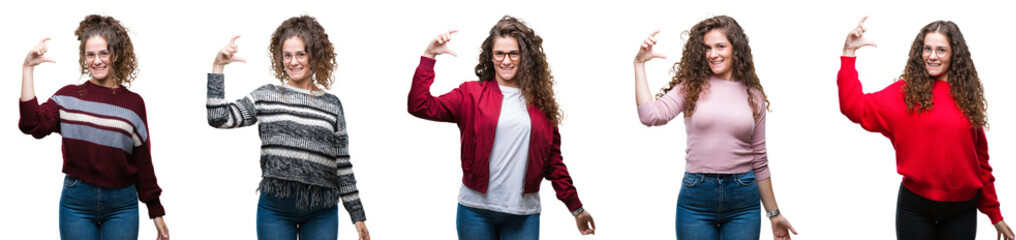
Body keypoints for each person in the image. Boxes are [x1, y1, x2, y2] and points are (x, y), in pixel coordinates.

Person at [408, 15, 596, 239]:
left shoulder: (541, 103)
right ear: (491, 56)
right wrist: (429, 56)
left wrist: (576, 208)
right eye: (499, 54)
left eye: (513, 53)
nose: (506, 61)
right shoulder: (470, 94)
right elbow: (419, 106)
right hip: (475, 211)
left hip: (523, 214)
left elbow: (553, 163)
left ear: (524, 57)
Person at [838, 16, 1016, 240]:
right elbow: (852, 106)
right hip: (916, 209)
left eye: (941, 50)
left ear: (954, 54)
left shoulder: (966, 98)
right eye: (927, 49)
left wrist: (994, 214)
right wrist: (848, 53)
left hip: (962, 210)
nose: (932, 56)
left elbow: (980, 162)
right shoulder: (903, 95)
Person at [206, 15, 370, 240]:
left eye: (301, 54)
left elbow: (342, 164)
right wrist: (218, 66)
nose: (294, 62)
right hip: (275, 211)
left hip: (322, 212)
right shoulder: (266, 96)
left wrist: (357, 215)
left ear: (315, 55)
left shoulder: (332, 105)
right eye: (287, 55)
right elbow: (218, 118)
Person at [634, 15, 796, 240]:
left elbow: (759, 159)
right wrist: (639, 64)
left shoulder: (754, 95)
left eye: (720, 46)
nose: (713, 54)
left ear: (735, 48)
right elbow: (650, 116)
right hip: (696, 200)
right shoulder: (690, 87)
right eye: (707, 48)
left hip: (743, 202)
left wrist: (774, 214)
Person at [18, 14, 170, 240]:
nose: (96, 61)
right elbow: (31, 124)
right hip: (76, 203)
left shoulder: (133, 103)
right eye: (90, 54)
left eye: (103, 53)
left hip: (122, 206)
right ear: (84, 57)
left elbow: (143, 160)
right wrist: (28, 68)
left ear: (116, 55)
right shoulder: (68, 97)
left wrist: (156, 211)